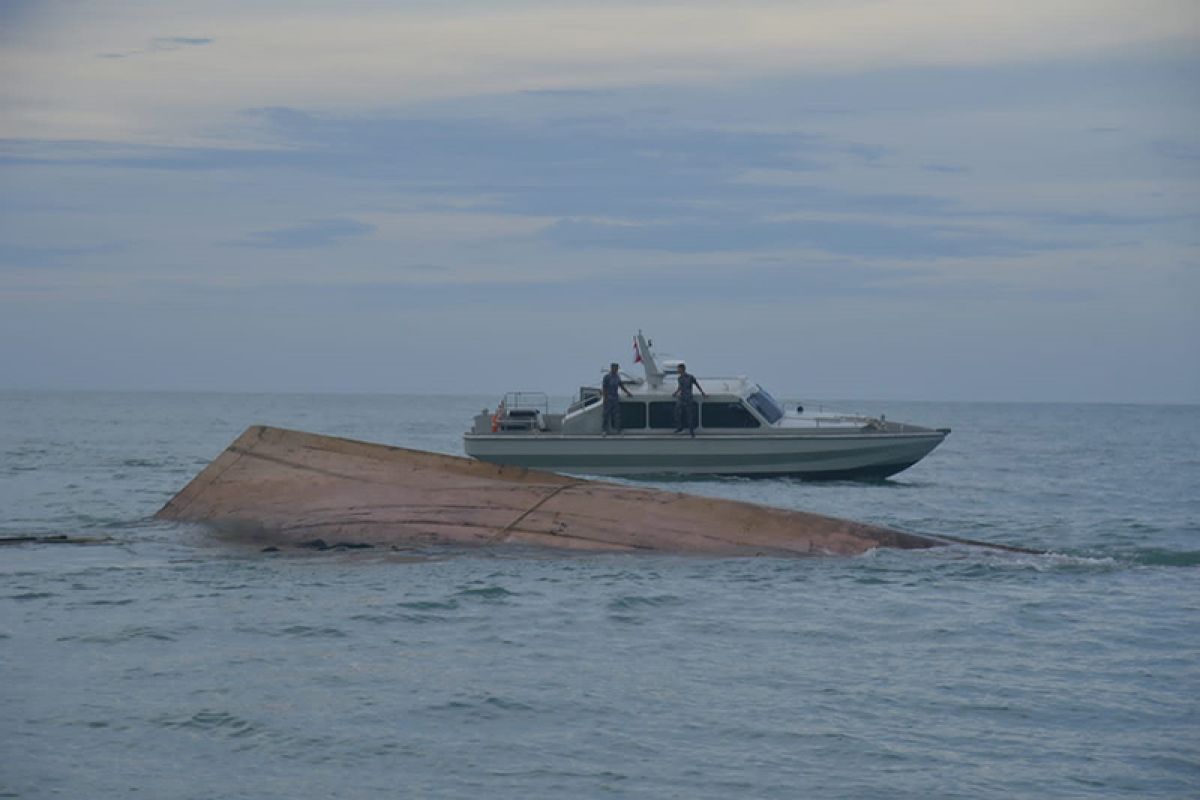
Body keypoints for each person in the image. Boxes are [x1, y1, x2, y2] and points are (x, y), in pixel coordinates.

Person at [672, 363, 706, 437]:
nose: (677, 370)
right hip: (682, 398)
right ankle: (679, 427)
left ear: (682, 369)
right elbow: (680, 387)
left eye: (678, 369)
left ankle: (691, 432)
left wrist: (703, 393)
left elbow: (697, 385)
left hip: (689, 398)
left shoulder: (690, 377)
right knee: (676, 411)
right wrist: (675, 393)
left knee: (689, 415)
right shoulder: (679, 378)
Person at [601, 362, 633, 435]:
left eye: (617, 368)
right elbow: (604, 387)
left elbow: (621, 386)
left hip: (615, 398)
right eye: (614, 368)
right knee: (606, 415)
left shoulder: (617, 377)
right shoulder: (607, 377)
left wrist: (628, 393)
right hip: (608, 398)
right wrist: (605, 397)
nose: (615, 369)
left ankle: (618, 430)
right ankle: (604, 430)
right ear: (611, 368)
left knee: (617, 415)